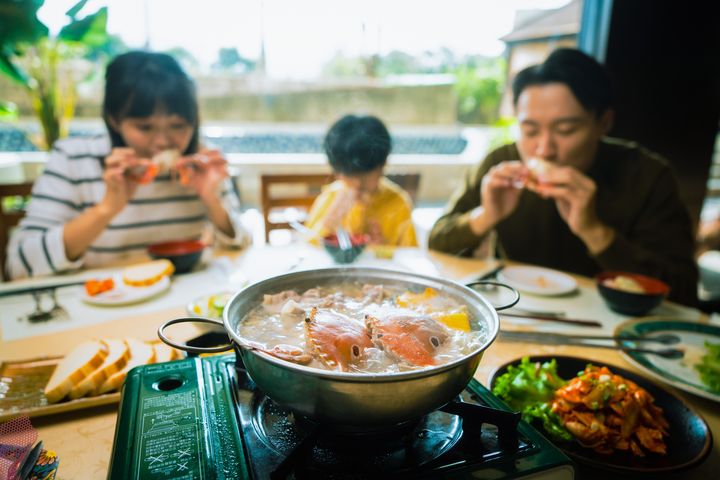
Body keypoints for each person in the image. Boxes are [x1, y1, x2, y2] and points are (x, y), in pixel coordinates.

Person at [428, 48, 698, 306]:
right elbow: (436, 243)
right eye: (530, 131)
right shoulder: (501, 164)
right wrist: (485, 215)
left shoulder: (647, 176)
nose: (544, 149)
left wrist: (595, 232)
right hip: (514, 308)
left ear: (603, 123)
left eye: (566, 130)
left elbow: (682, 291)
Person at [6, 51, 252, 280]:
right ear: (114, 120)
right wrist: (106, 210)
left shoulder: (198, 161)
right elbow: (19, 265)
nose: (162, 141)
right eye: (145, 127)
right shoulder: (74, 158)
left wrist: (211, 198)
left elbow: (239, 245)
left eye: (178, 126)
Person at [304, 114, 418, 247]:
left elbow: (411, 256)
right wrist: (329, 221)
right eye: (350, 175)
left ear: (382, 166)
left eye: (365, 175)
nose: (357, 183)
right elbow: (306, 249)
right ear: (337, 172)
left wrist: (383, 249)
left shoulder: (398, 203)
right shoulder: (331, 197)